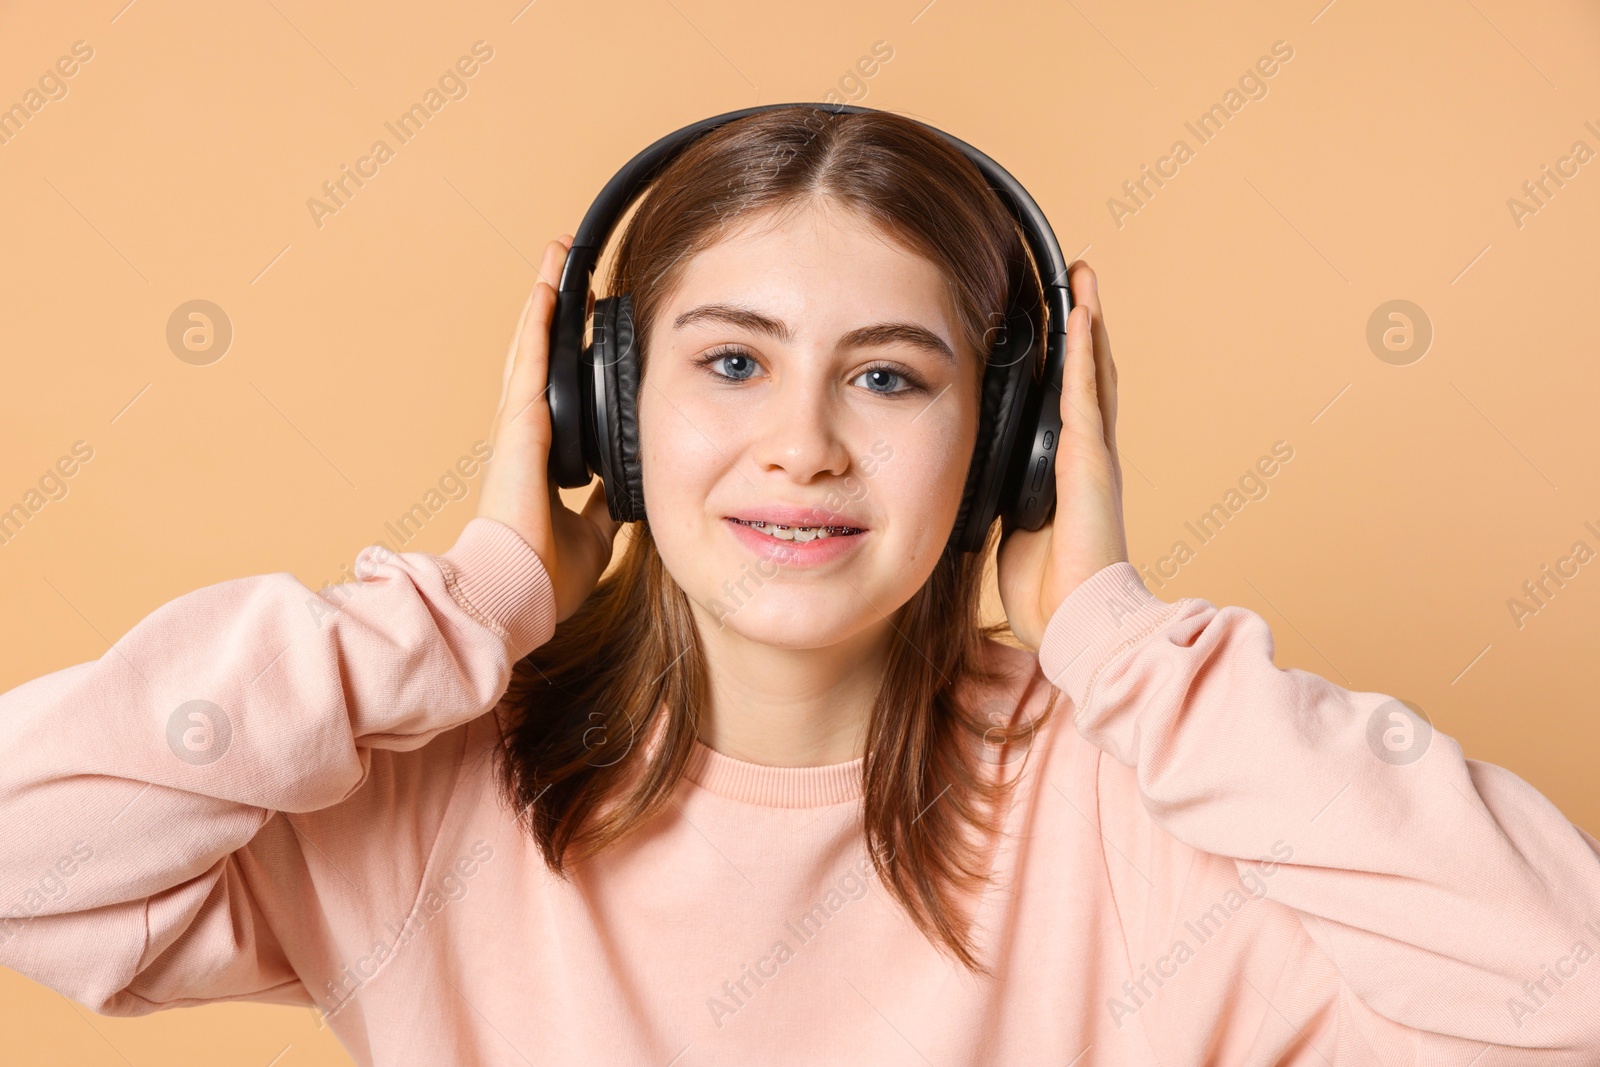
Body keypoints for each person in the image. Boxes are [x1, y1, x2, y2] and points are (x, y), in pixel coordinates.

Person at [2, 106, 1598, 1067]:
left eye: (891, 380)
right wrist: (466, 603)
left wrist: (1119, 647)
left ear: (1014, 445)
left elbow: (1564, 1000)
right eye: (733, 363)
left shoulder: (1140, 806)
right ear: (600, 412)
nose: (803, 448)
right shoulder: (427, 794)